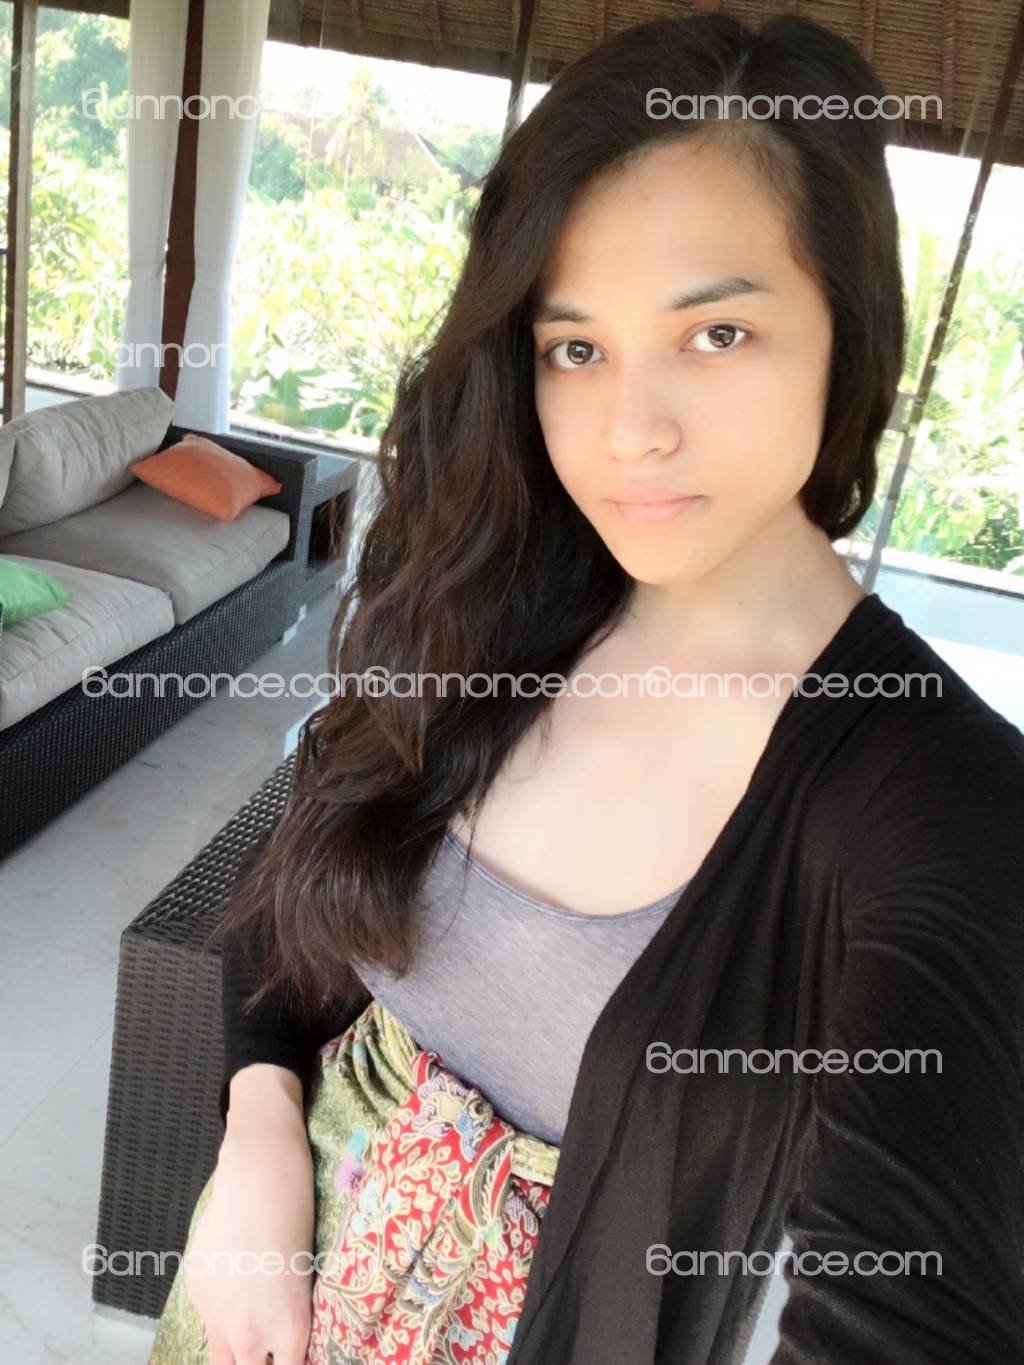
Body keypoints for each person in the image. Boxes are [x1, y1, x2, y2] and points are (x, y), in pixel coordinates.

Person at [149, 11, 1024, 1365]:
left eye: (717, 333)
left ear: (849, 339)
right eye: (576, 348)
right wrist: (260, 1125)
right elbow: (291, 905)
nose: (630, 431)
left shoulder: (940, 801)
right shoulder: (502, 602)